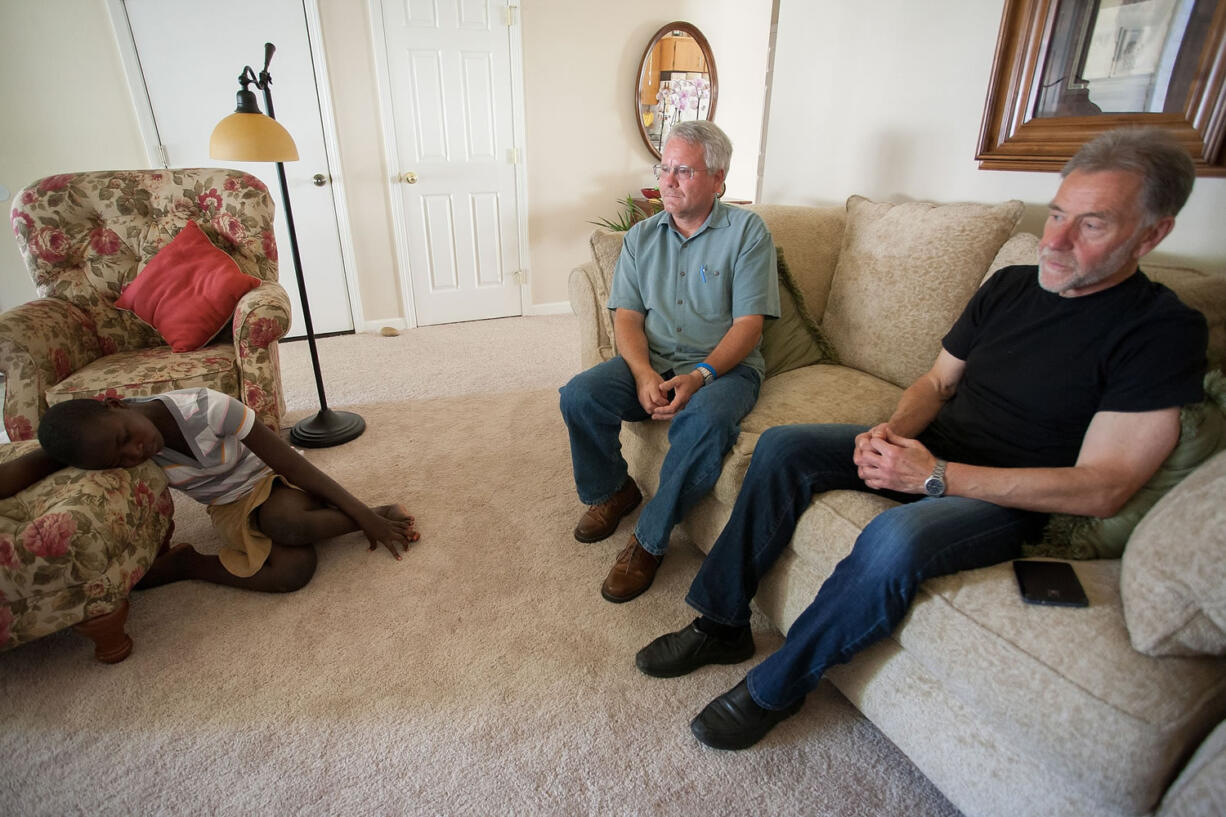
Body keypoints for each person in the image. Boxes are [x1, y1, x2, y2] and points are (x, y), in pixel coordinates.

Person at [634, 126, 1209, 750]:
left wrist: (935, 477)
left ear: (1152, 234)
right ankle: (722, 624)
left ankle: (777, 687)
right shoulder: (1012, 285)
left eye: (1091, 226)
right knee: (782, 446)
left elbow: (1105, 487)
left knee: (894, 538)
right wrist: (891, 433)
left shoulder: (1162, 331)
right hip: (932, 450)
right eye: (1059, 214)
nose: (1055, 240)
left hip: (1008, 499)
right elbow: (936, 383)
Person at [559, 120, 780, 603]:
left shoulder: (747, 233)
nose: (669, 181)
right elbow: (628, 317)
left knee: (703, 424)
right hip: (655, 359)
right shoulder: (640, 237)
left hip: (723, 369)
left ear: (719, 179)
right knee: (580, 395)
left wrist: (700, 377)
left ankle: (650, 540)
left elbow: (749, 327)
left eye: (684, 170)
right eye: (664, 168)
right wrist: (641, 373)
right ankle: (614, 491)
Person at [0, 387, 420, 593]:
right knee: (294, 573)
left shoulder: (209, 408)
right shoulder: (95, 442)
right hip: (227, 507)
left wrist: (365, 516)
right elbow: (34, 462)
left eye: (126, 437)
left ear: (116, 404)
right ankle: (188, 566)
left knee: (284, 521)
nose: (134, 452)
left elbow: (290, 462)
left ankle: (368, 514)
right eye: (121, 459)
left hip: (273, 481)